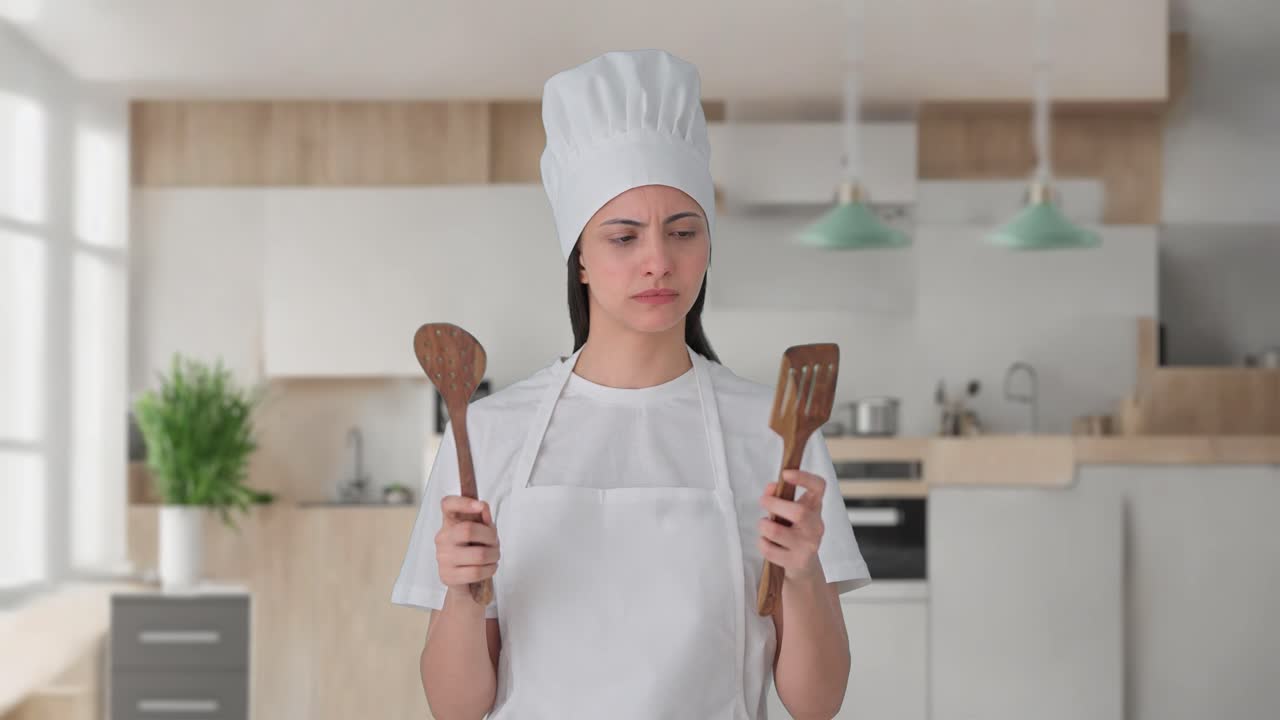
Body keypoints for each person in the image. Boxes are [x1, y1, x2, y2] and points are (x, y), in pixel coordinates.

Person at [392, 49, 871, 720]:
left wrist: (802, 572)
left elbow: (816, 704)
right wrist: (463, 591)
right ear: (580, 259)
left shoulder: (777, 432)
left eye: (683, 232)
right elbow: (455, 708)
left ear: (707, 247)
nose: (658, 262)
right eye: (623, 238)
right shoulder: (488, 432)